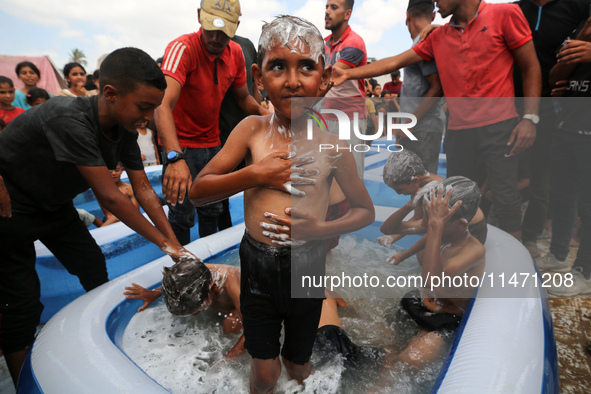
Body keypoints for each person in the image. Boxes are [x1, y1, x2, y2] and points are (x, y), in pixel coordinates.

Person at [188, 16, 375, 393]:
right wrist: (256, 175)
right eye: (278, 67)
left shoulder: (334, 148)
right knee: (264, 367)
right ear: (258, 78)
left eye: (306, 66)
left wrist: (321, 230)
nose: (292, 81)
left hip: (308, 262)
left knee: (299, 362)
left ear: (323, 79)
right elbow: (200, 190)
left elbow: (364, 211)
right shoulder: (251, 131)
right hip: (256, 267)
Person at [0, 47, 193, 387]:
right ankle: (22, 385)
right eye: (144, 107)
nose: (148, 117)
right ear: (110, 93)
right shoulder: (68, 118)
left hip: (54, 207)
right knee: (22, 304)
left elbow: (144, 189)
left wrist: (174, 243)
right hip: (11, 209)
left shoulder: (124, 131)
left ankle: (107, 349)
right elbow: (110, 197)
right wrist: (165, 244)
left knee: (93, 266)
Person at [331, 0, 542, 240]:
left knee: (505, 199)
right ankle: (468, 259)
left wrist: (530, 118)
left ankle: (515, 270)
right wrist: (348, 73)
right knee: (459, 200)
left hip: (500, 126)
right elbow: (394, 61)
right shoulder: (438, 37)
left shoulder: (505, 13)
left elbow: (530, 66)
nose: (435, 4)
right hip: (458, 133)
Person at [155, 0, 269, 245]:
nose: (217, 38)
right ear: (199, 17)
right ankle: (182, 266)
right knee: (182, 214)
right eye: (211, 29)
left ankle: (211, 267)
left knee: (212, 210)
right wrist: (174, 157)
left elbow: (243, 97)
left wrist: (267, 114)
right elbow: (162, 104)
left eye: (225, 32)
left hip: (213, 144)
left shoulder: (236, 53)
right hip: (182, 144)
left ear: (236, 25)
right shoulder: (182, 48)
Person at [516, 0, 591, 257]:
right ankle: (507, 233)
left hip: (553, 109)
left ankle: (531, 237)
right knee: (503, 174)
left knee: (542, 180)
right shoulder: (514, 10)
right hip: (515, 105)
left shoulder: (576, 7)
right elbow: (475, 18)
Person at [387, 177, 485, 368]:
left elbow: (431, 283)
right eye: (428, 217)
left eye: (434, 220)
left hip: (447, 319)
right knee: (388, 351)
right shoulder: (440, 232)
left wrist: (435, 226)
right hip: (418, 301)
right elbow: (389, 228)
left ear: (462, 224)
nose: (427, 223)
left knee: (408, 361)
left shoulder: (473, 251)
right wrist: (411, 207)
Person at [535, 17, 591, 296]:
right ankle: (558, 256)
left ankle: (585, 272)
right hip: (567, 127)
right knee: (563, 197)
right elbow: (554, 77)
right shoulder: (580, 29)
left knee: (588, 206)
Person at [378, 151, 487, 265]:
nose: (399, 194)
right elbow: (419, 219)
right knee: (422, 256)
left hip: (473, 229)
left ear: (415, 180)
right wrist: (393, 238)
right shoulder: (420, 187)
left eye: (400, 190)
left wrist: (405, 254)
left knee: (427, 258)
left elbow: (432, 227)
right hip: (450, 225)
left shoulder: (437, 190)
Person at [123, 258, 244, 357]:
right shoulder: (193, 275)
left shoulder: (233, 286)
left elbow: (256, 330)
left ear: (213, 288)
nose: (194, 315)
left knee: (230, 325)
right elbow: (177, 284)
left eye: (199, 309)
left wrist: (229, 358)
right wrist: (155, 293)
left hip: (250, 302)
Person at [396, 0, 445, 175]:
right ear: (433, 15)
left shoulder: (424, 41)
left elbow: (437, 88)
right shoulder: (421, 42)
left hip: (424, 127)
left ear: (407, 16)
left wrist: (409, 123)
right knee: (413, 184)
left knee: (422, 185)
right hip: (418, 127)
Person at [324, 0, 368, 178]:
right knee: (326, 175)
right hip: (326, 116)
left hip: (350, 119)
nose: (327, 12)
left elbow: (328, 77)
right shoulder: (323, 43)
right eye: (326, 7)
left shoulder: (354, 42)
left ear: (347, 14)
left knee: (352, 176)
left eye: (333, 7)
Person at [99, 162, 140, 226]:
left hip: (129, 219)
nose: (114, 173)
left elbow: (137, 212)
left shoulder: (130, 188)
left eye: (117, 170)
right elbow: (108, 216)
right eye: (110, 171)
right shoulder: (101, 190)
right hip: (112, 221)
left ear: (122, 170)